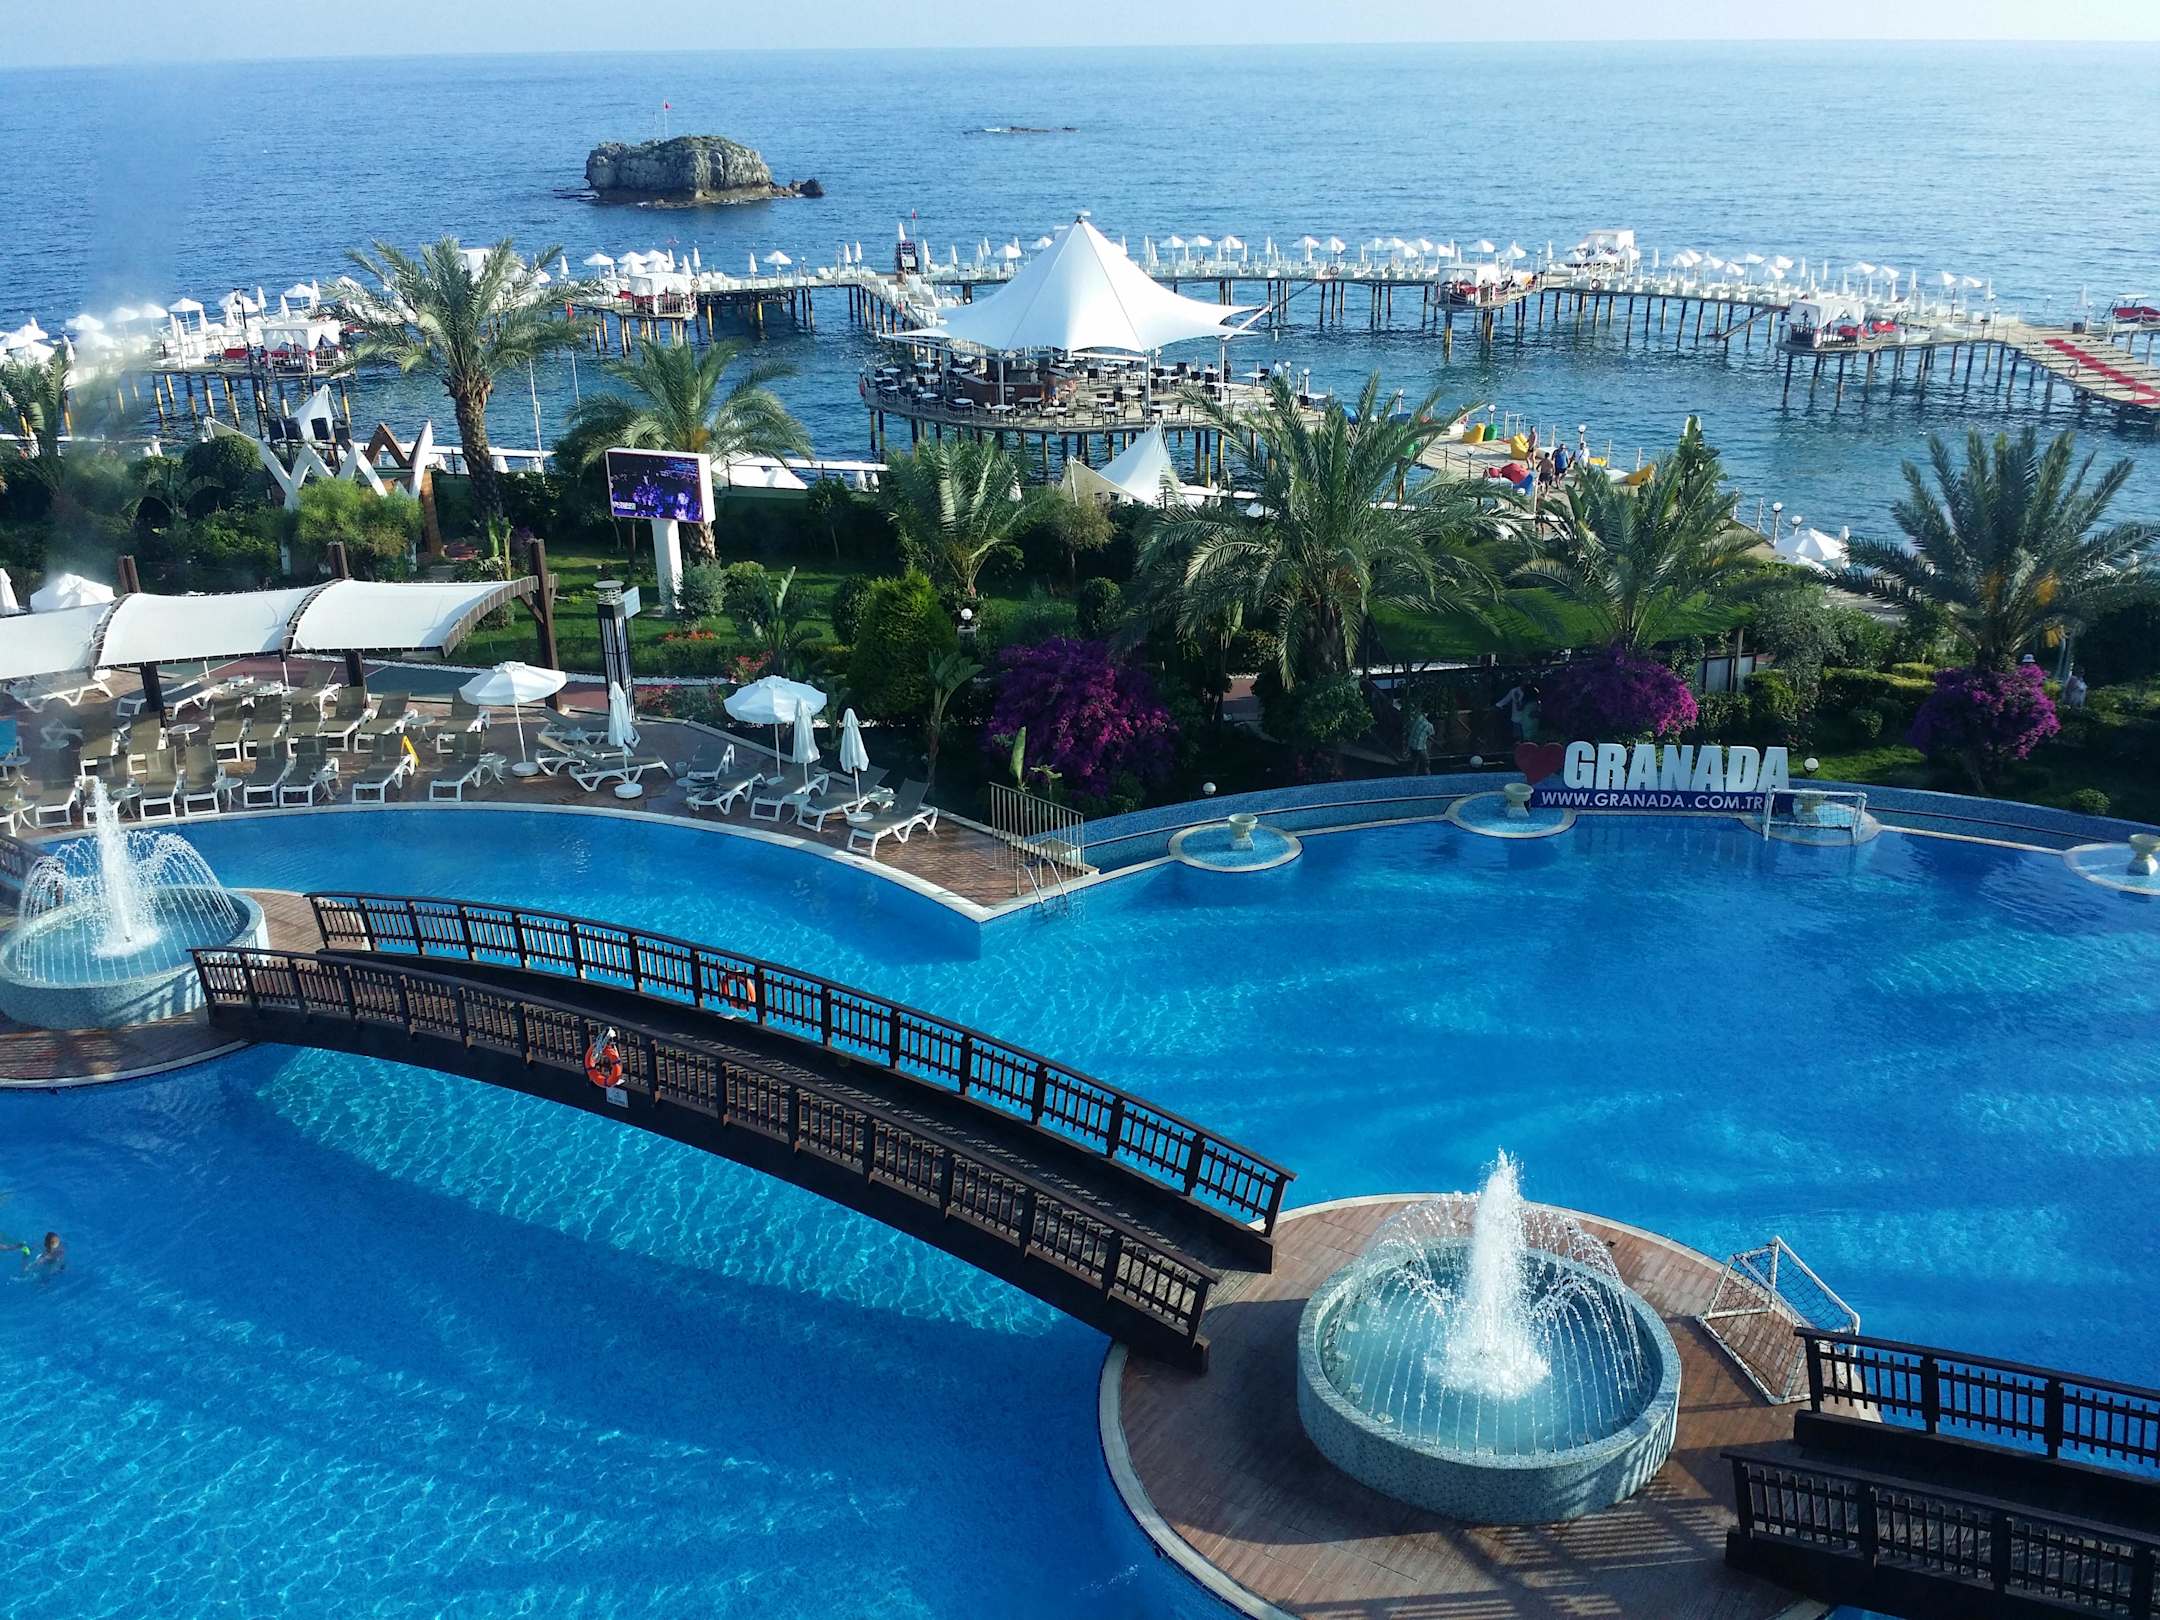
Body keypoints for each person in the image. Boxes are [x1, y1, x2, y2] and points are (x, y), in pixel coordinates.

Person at [1405, 707, 1434, 775]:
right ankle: (1428, 776)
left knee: (1415, 763)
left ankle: (1413, 776)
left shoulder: (1419, 719)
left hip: (1412, 745)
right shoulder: (1429, 725)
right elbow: (1431, 735)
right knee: (1427, 763)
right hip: (1420, 747)